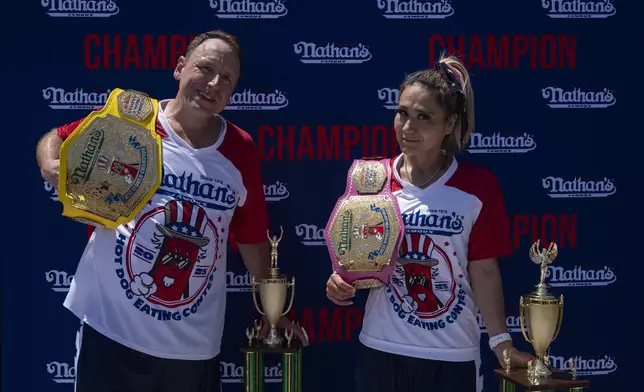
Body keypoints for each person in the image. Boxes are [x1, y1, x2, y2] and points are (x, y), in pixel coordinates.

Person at [36, 30, 308, 392]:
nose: (213, 83)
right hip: (109, 331)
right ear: (180, 67)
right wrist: (51, 165)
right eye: (205, 68)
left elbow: (252, 238)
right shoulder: (133, 119)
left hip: (191, 349)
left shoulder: (240, 149)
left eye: (226, 78)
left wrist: (274, 314)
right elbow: (57, 135)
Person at [325, 54, 534, 392]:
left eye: (424, 117)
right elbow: (357, 264)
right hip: (381, 350)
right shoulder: (371, 177)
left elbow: (483, 270)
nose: (408, 128)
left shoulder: (477, 187)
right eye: (402, 113)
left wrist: (501, 343)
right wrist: (340, 281)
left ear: (449, 123)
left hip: (451, 355)